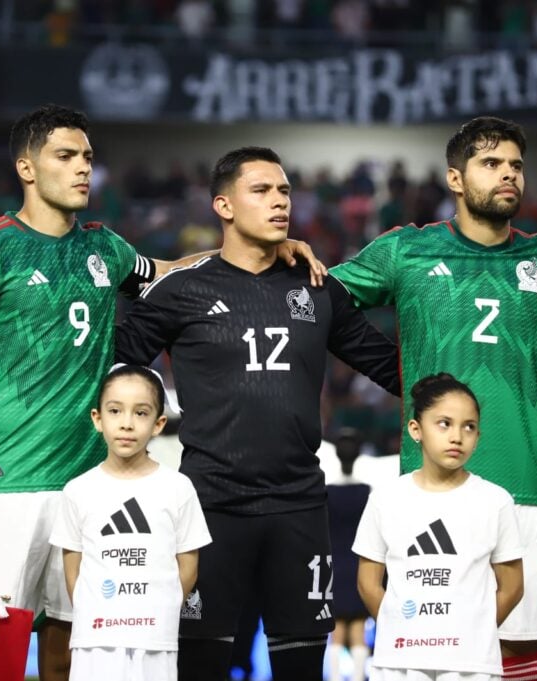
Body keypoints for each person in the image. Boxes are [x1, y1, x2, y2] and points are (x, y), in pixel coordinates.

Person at [0, 105, 321, 679]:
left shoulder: (105, 248)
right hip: (4, 485)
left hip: (89, 486)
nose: (84, 167)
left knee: (72, 649)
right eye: (66, 156)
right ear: (27, 168)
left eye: (87, 156)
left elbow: (170, 270)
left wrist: (264, 251)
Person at [331, 116, 537, 680]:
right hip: (428, 496)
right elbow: (323, 298)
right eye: (491, 164)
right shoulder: (406, 251)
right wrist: (394, 370)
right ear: (455, 179)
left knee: (523, 655)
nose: (508, 174)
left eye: (516, 165)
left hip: (527, 485)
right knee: (429, 648)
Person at [114, 146, 401, 681]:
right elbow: (107, 363)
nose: (279, 202)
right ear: (223, 205)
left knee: (301, 670)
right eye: (262, 191)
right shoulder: (183, 289)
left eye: (285, 191)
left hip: (298, 508)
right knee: (200, 667)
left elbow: (391, 368)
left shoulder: (316, 285)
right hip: (207, 507)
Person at [354, 373, 524, 681]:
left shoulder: (496, 501)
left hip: (472, 665)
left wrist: (474, 630)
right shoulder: (385, 498)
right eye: (444, 424)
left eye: (468, 427)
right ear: (415, 429)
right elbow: (367, 583)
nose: (457, 436)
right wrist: (400, 627)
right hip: (398, 662)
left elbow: (512, 587)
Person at [50, 364, 211, 681]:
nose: (126, 423)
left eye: (140, 413)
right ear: (97, 419)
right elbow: (74, 571)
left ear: (158, 423)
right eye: (115, 411)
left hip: (155, 640)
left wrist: (158, 610)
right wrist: (96, 613)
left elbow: (188, 567)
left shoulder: (178, 488)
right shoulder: (77, 491)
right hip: (94, 640)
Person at [326, 429, 373, 681]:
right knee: (358, 628)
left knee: (337, 630)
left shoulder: (328, 493)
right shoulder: (366, 492)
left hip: (334, 565)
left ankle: (334, 678)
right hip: (358, 565)